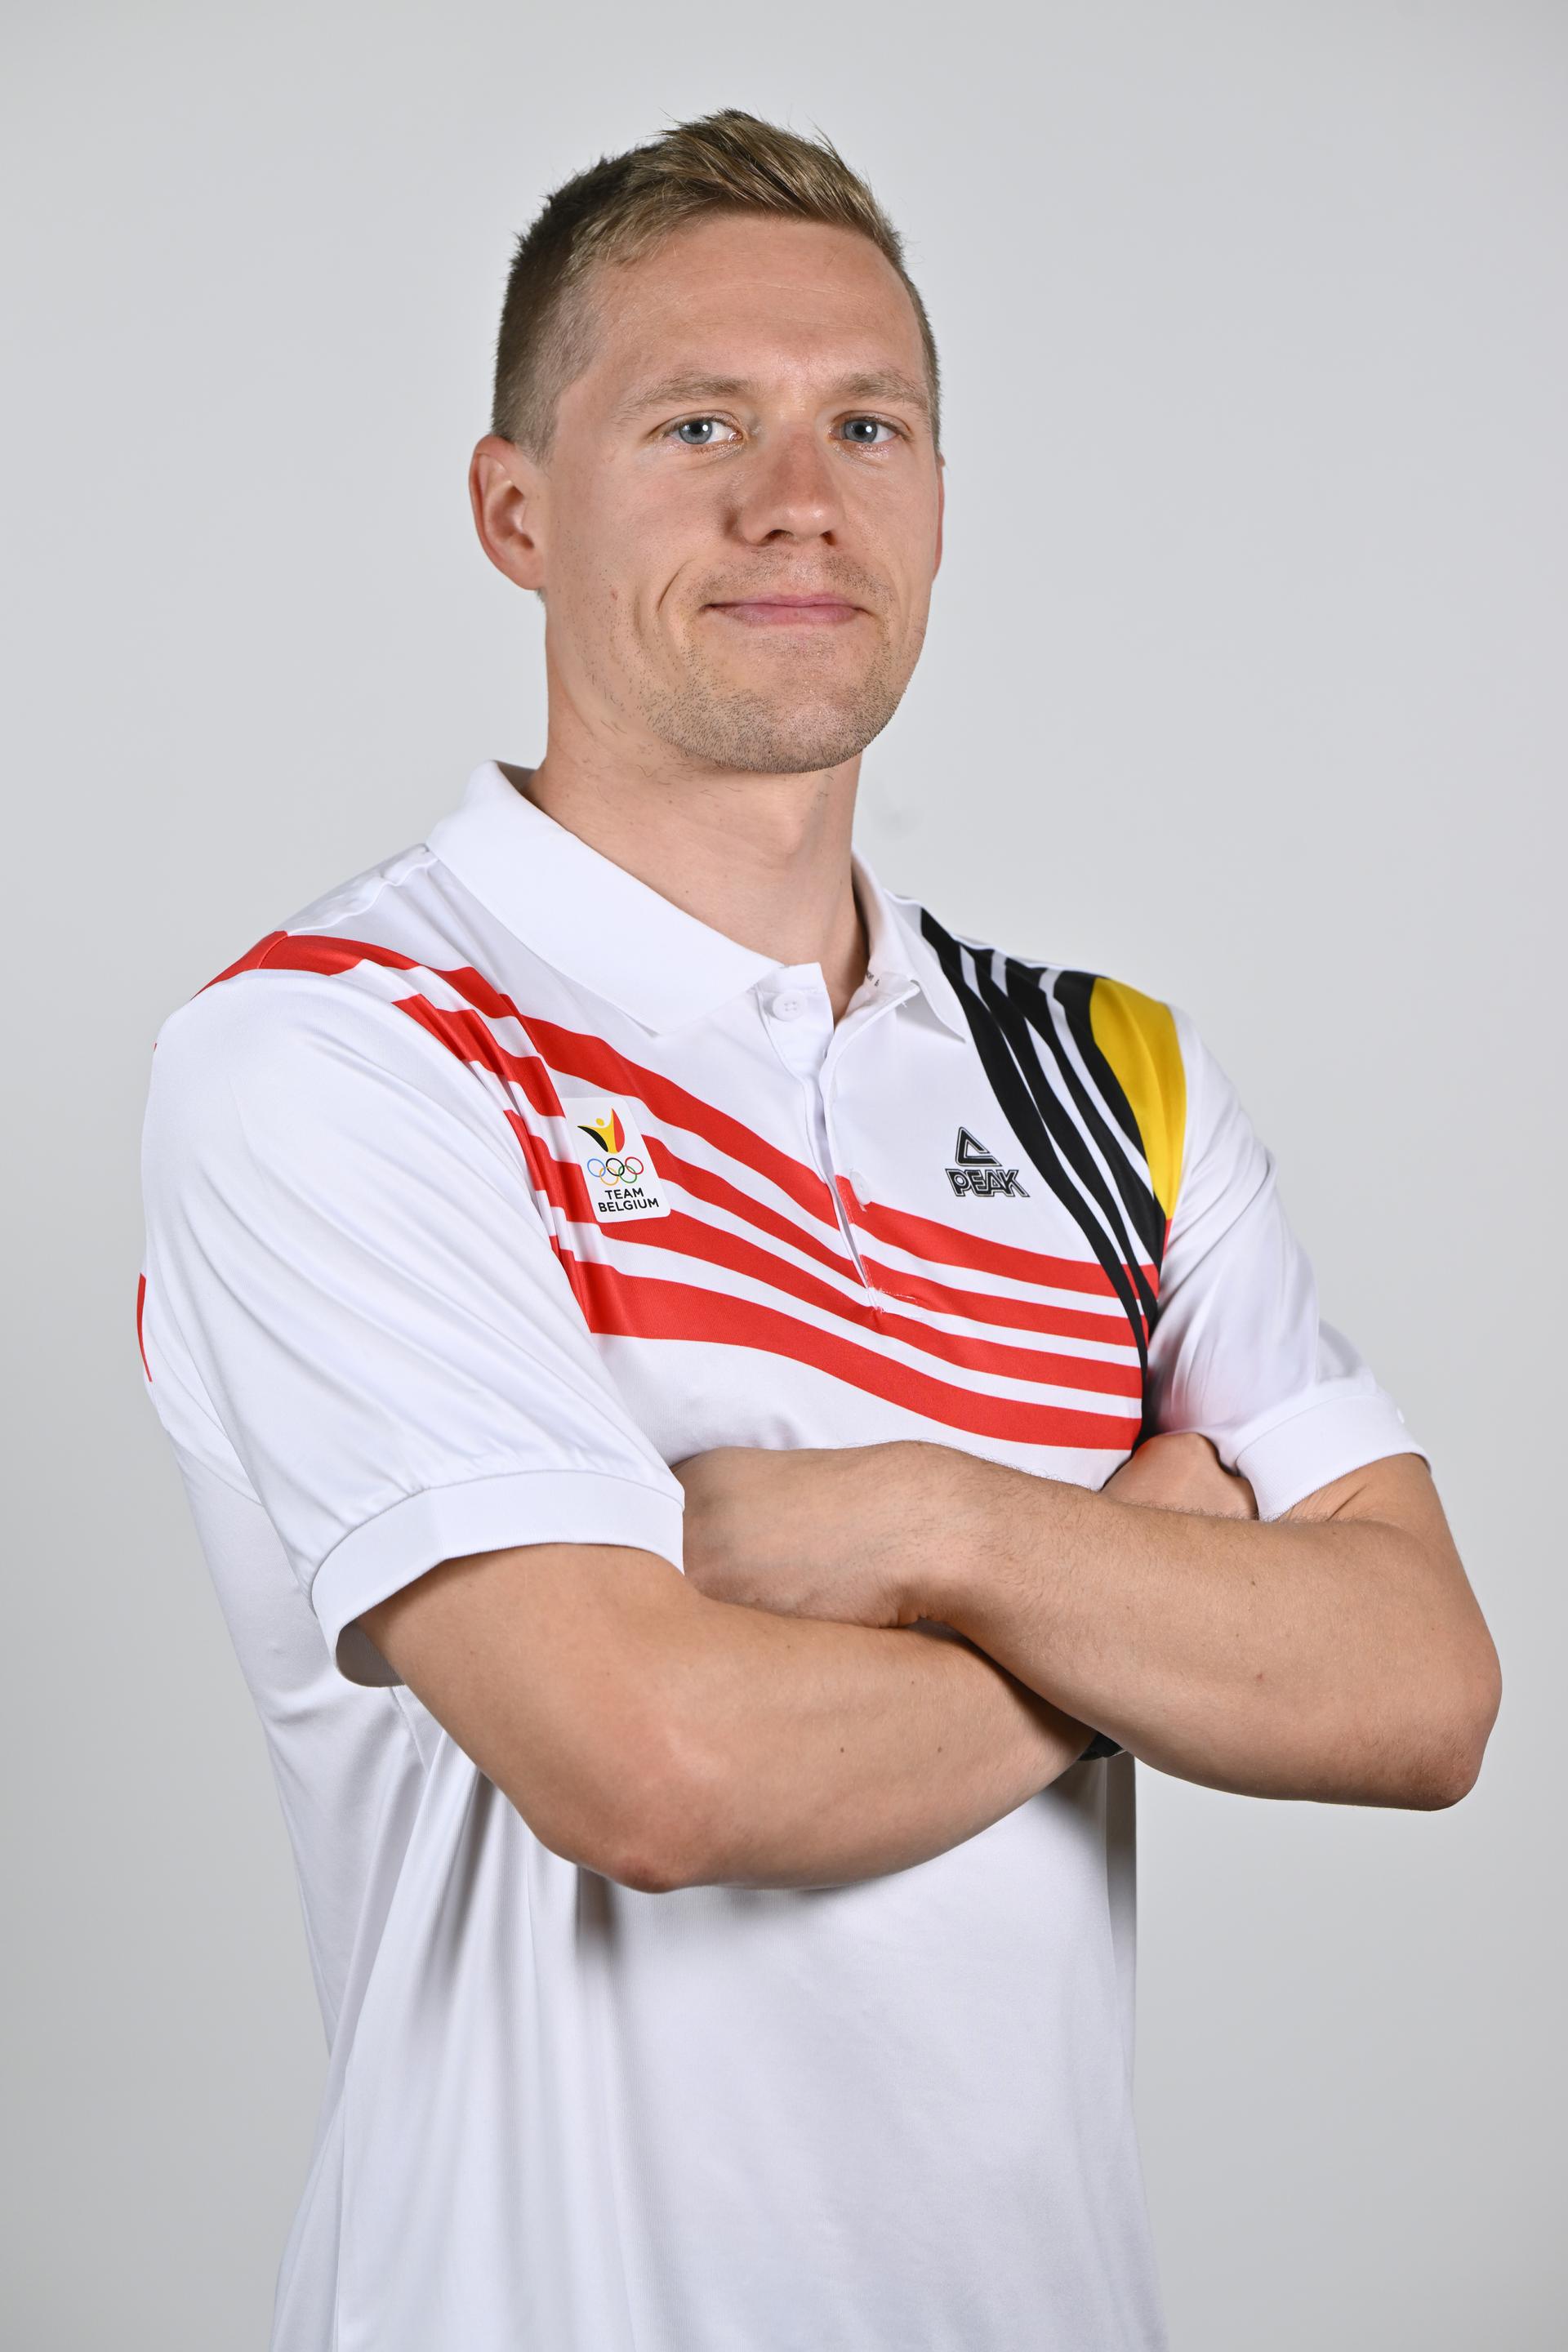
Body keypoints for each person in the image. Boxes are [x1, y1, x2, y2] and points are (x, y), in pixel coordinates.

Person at [136, 106, 1501, 2352]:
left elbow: (1422, 1687)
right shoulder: (348, 1054)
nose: (799, 500)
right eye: (699, 423)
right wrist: (1148, 1581)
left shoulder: (1105, 1079)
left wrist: (930, 1525)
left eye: (868, 422)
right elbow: (656, 1769)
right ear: (514, 511)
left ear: (941, 507)